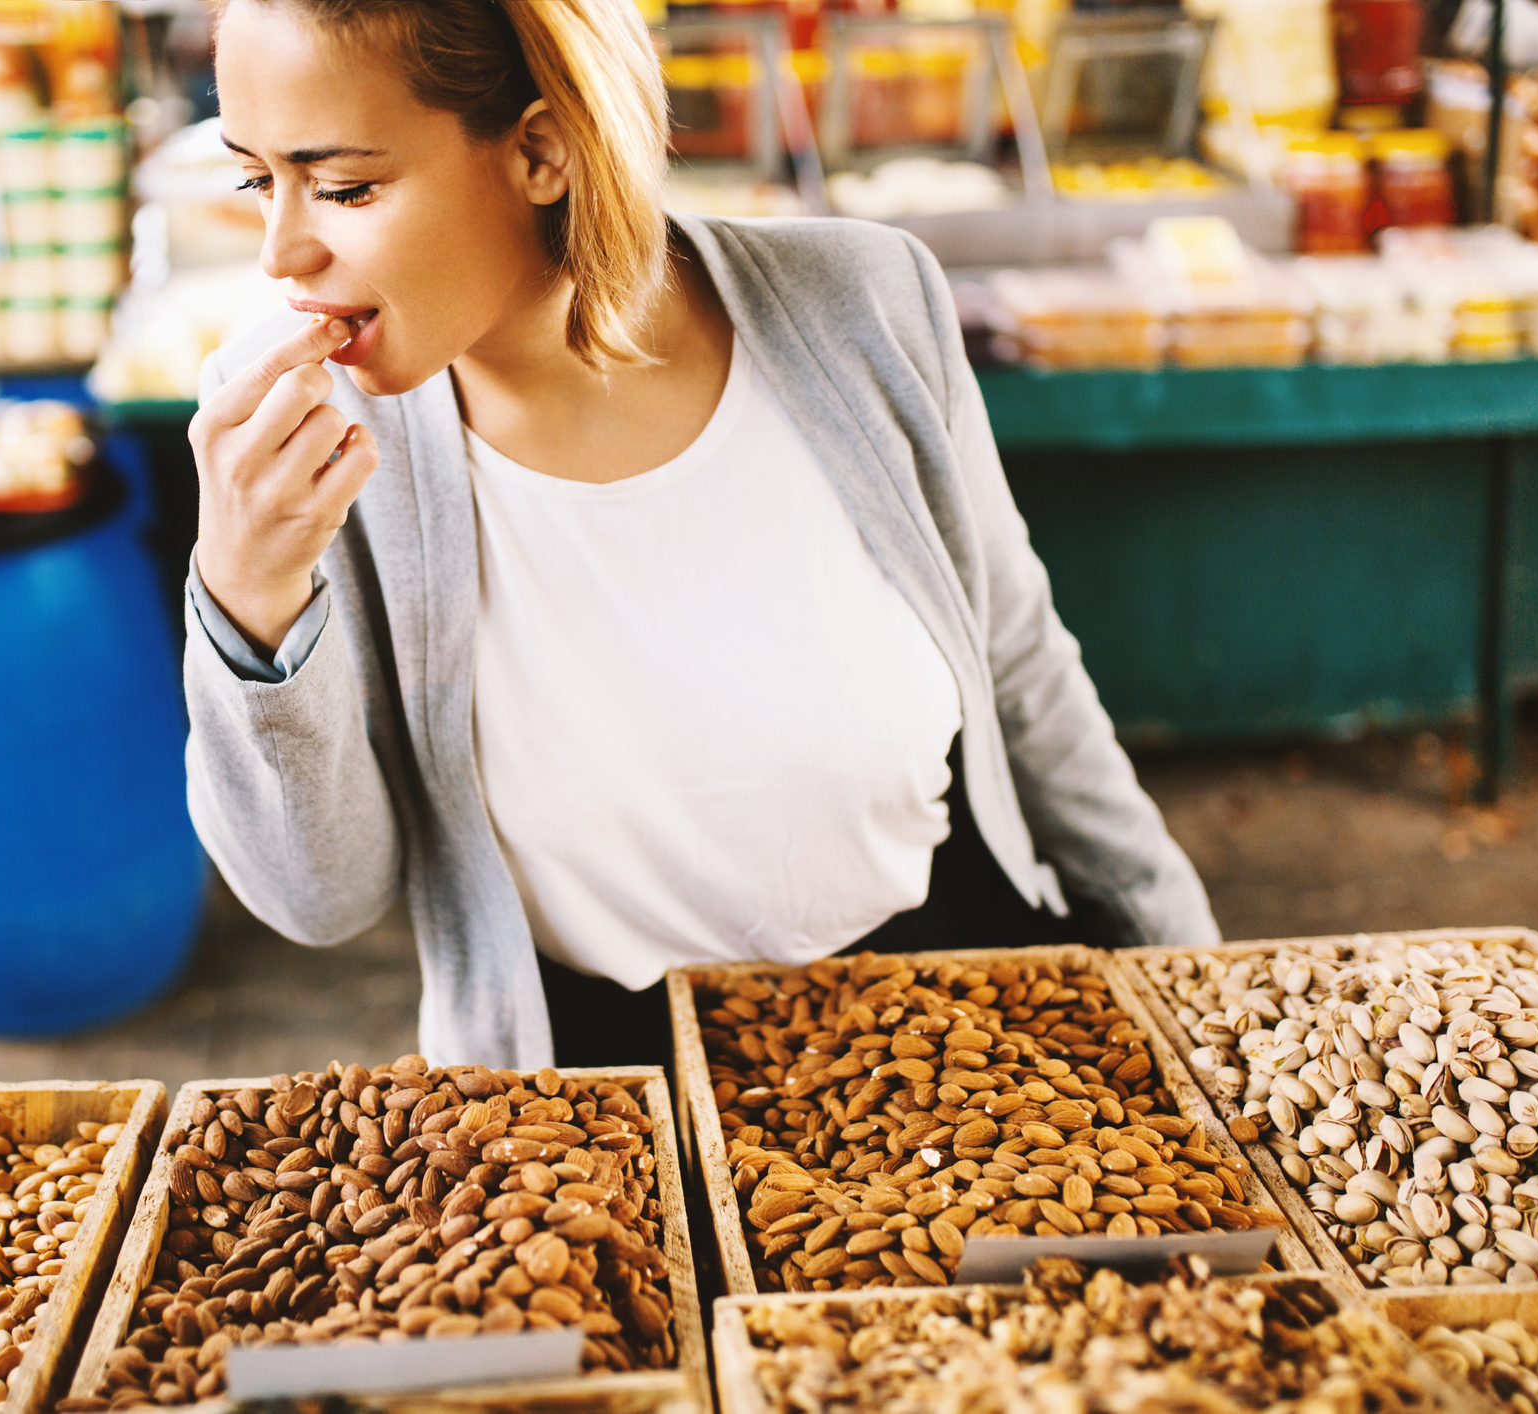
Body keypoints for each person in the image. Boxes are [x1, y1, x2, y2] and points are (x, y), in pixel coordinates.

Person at [185, 0, 1221, 1070]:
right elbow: (320, 900)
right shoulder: (303, 445)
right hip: (601, 1091)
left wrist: (1196, 987)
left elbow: (1022, 677)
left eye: (347, 187)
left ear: (543, 148)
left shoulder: (866, 306)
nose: (282, 252)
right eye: (257, 179)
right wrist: (248, 601)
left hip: (961, 1028)